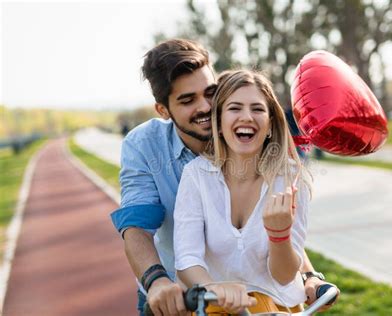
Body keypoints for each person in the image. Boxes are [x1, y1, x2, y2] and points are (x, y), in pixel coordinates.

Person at [110, 38, 338, 316]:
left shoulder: (263, 155)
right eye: (187, 100)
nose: (206, 107)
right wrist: (156, 282)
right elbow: (136, 227)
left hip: (267, 298)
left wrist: (308, 274)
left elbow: (270, 236)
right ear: (164, 110)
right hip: (179, 292)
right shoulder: (149, 148)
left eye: (210, 92)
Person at [174, 69, 314, 313]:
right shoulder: (195, 176)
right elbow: (187, 259)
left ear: (270, 125)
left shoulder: (291, 178)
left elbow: (283, 276)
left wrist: (279, 234)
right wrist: (213, 289)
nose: (247, 117)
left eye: (258, 109)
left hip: (277, 307)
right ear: (218, 123)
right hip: (217, 308)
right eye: (235, 108)